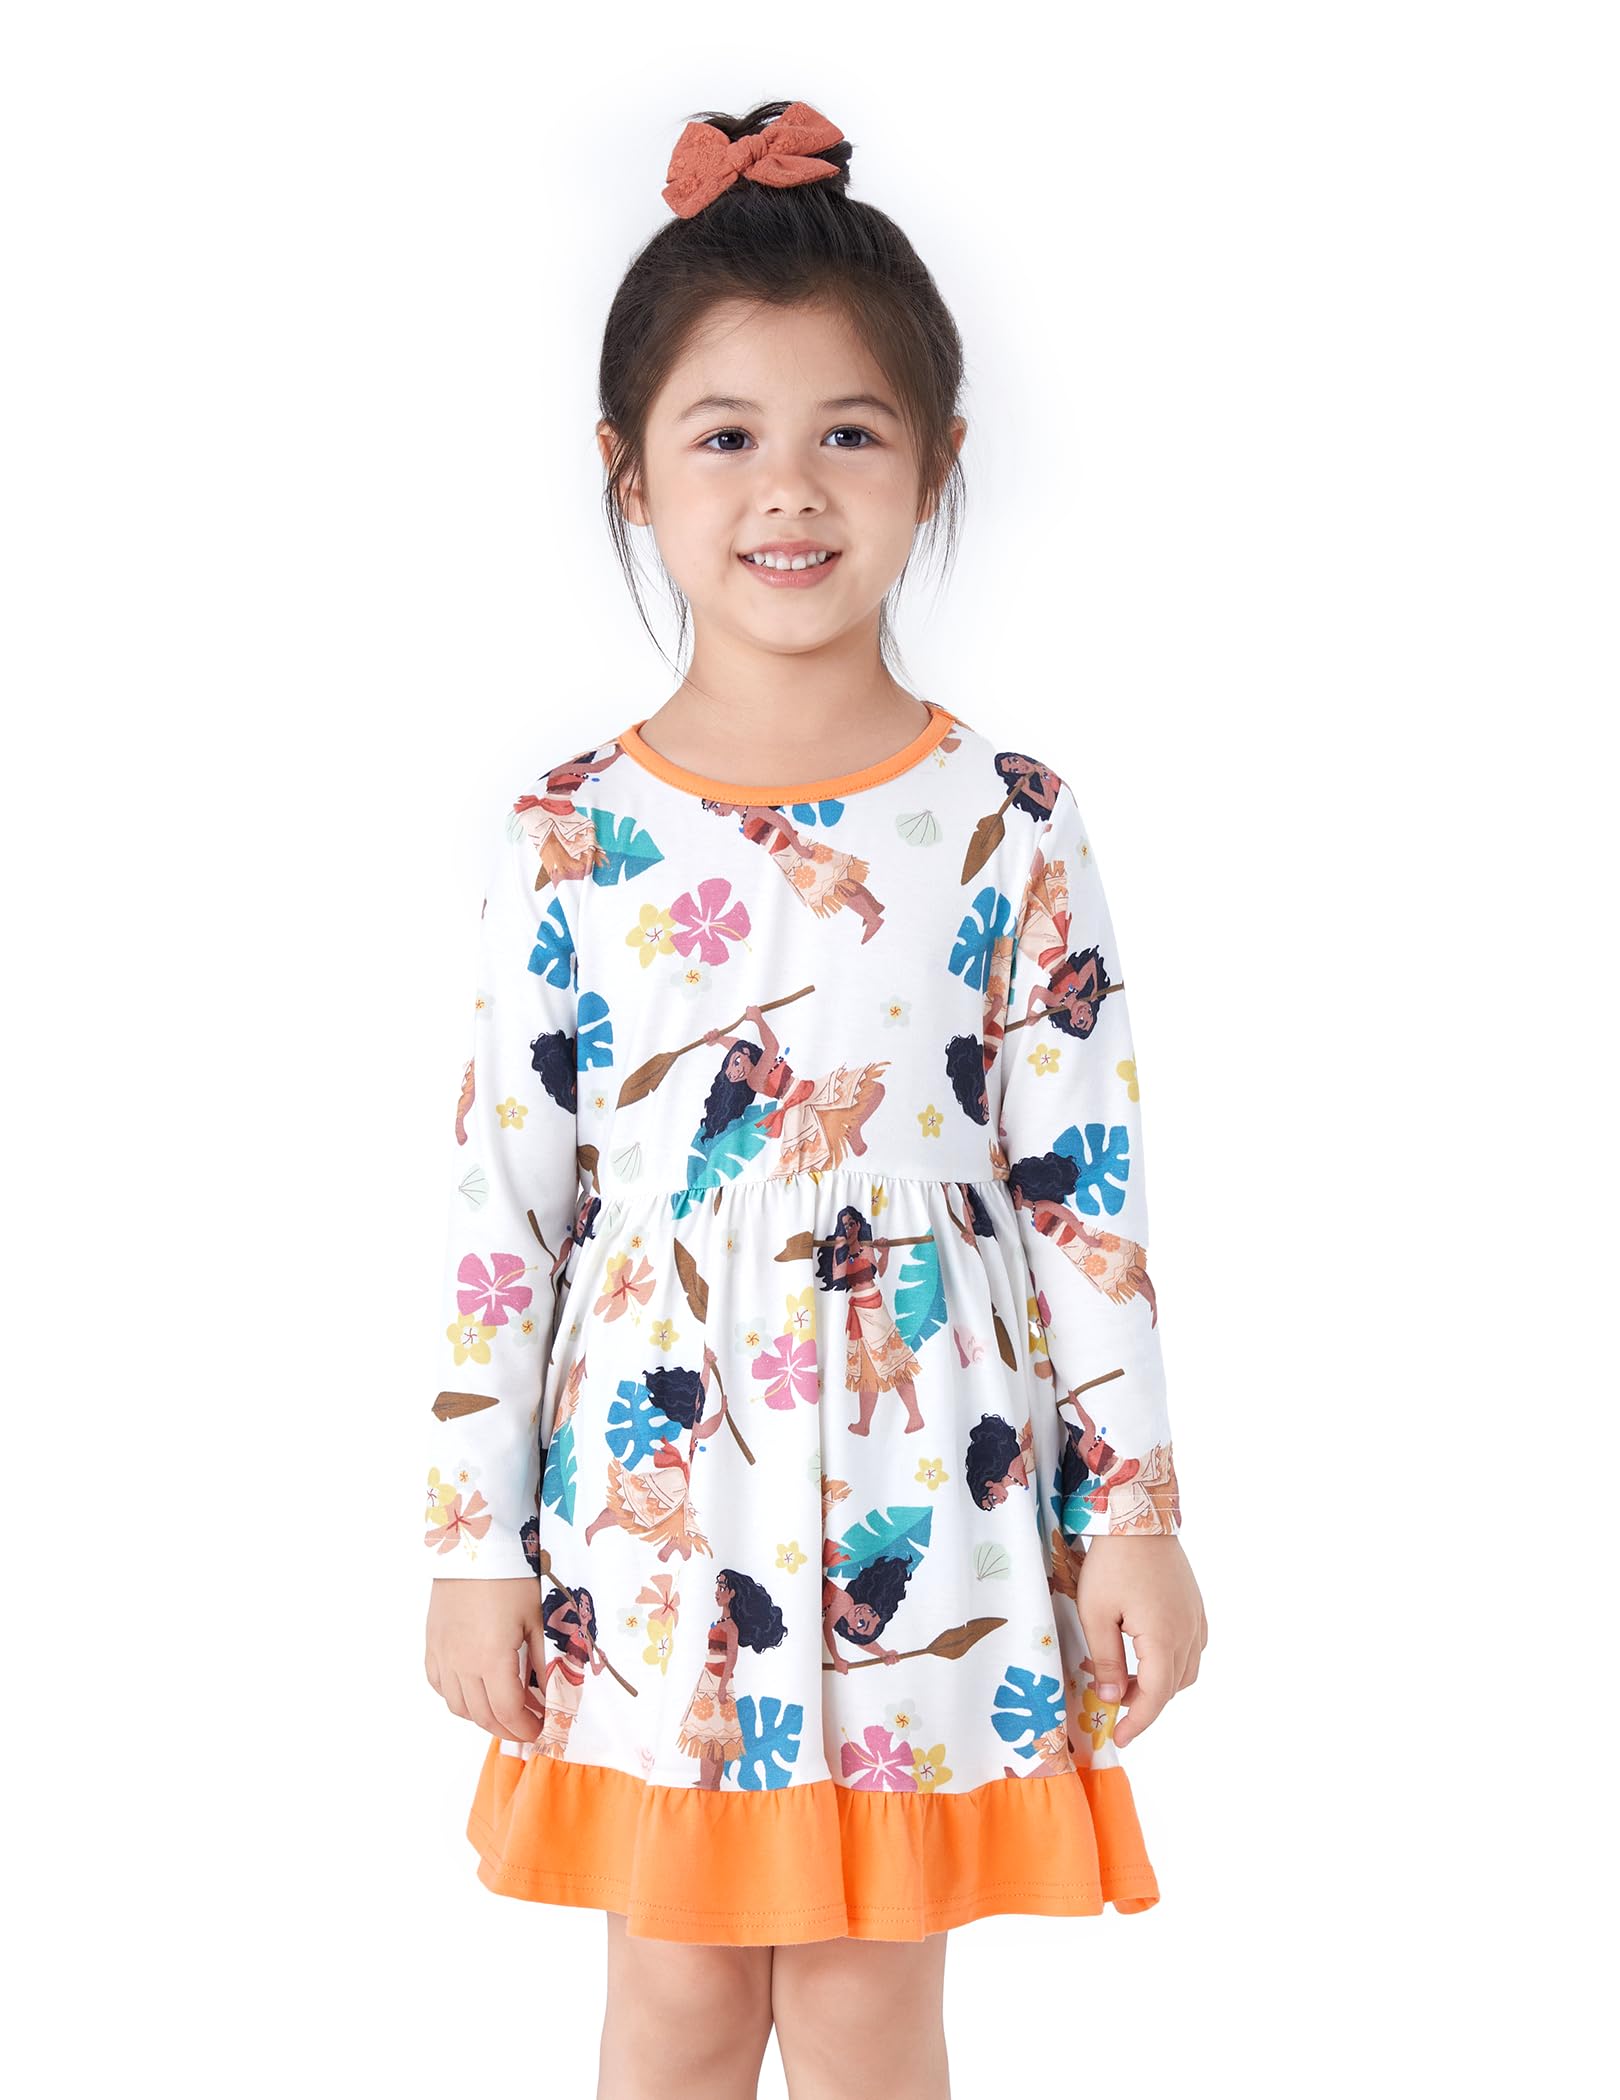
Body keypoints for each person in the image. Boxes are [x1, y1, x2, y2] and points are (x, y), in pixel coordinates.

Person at [420, 97, 1208, 2100]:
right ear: (628, 473)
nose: (789, 488)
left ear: (939, 460)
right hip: (654, 1517)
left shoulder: (1010, 822)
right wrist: (471, 1545)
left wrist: (1134, 1525)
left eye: (850, 432)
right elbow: (506, 1218)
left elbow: (1086, 1202)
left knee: (867, 2007)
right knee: (679, 1999)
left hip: (933, 1499)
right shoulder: (567, 837)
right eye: (726, 436)